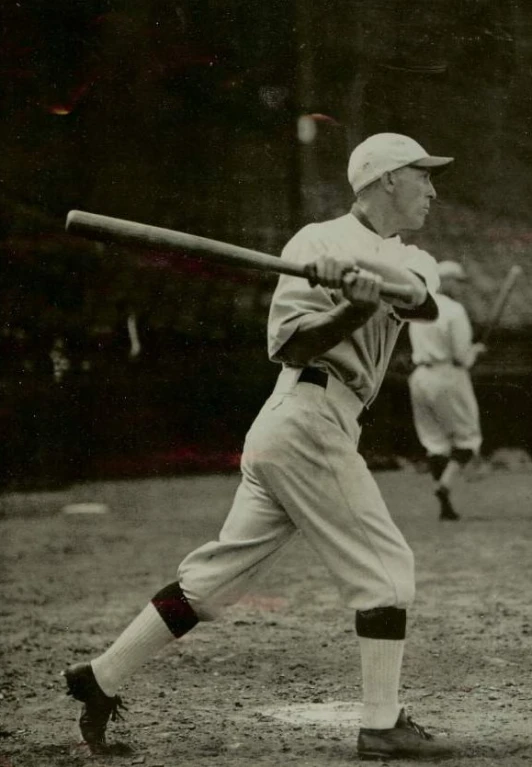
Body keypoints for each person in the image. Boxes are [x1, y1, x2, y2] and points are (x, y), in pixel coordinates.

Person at [64, 133, 456, 760]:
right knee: (387, 572)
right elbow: (291, 346)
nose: (432, 190)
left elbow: (422, 301)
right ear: (386, 179)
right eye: (422, 176)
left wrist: (365, 285)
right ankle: (381, 724)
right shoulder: (314, 243)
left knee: (211, 585)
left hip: (313, 424)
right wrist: (350, 309)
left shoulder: (412, 256)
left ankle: (99, 679)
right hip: (306, 414)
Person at [408, 260, 485, 520]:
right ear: (447, 282)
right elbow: (461, 357)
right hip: (447, 375)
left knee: (434, 440)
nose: (460, 288)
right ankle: (444, 486)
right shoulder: (454, 310)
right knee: (468, 438)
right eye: (458, 282)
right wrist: (475, 352)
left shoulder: (418, 308)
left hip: (419, 376)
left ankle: (445, 505)